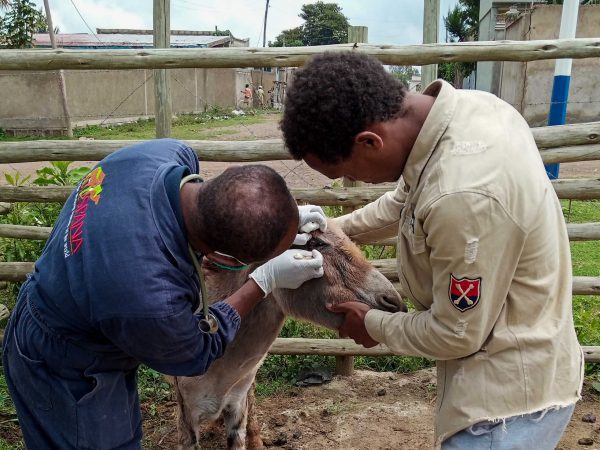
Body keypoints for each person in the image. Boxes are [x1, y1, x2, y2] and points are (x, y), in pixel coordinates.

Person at [280, 52, 583, 449]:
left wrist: (370, 324)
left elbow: (455, 333)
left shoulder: (462, 196)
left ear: (370, 141)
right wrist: (333, 230)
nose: (354, 180)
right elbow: (403, 201)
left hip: (502, 410)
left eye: (347, 172)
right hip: (520, 365)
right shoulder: (472, 112)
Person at [2, 138, 327, 449]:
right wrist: (263, 280)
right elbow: (199, 352)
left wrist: (281, 219)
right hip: (64, 362)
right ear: (225, 259)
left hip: (65, 300)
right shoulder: (149, 302)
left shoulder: (166, 154)